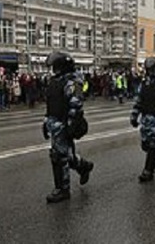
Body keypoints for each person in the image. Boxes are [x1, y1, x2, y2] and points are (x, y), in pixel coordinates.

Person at [43, 51, 94, 203]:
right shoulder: (54, 81)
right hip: (55, 123)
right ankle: (84, 166)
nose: (54, 70)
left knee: (59, 157)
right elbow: (51, 104)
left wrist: (70, 124)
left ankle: (63, 189)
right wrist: (46, 122)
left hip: (65, 123)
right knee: (65, 155)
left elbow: (76, 103)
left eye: (56, 66)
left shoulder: (73, 82)